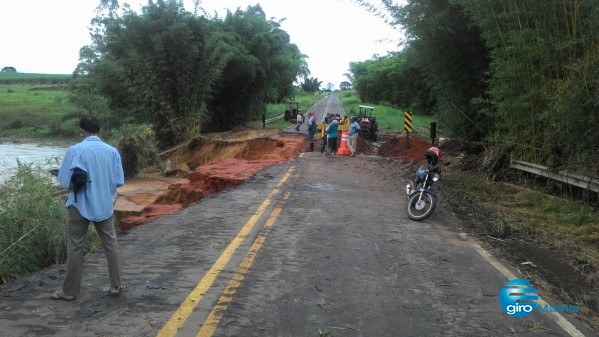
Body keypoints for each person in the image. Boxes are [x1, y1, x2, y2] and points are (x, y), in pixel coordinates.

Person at [52, 116, 125, 301]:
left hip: (79, 204)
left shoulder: (75, 150)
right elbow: (119, 181)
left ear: (81, 131)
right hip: (104, 205)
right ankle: (116, 285)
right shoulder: (112, 152)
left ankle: (69, 292)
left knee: (75, 246)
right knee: (111, 244)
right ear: (100, 130)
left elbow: (65, 182)